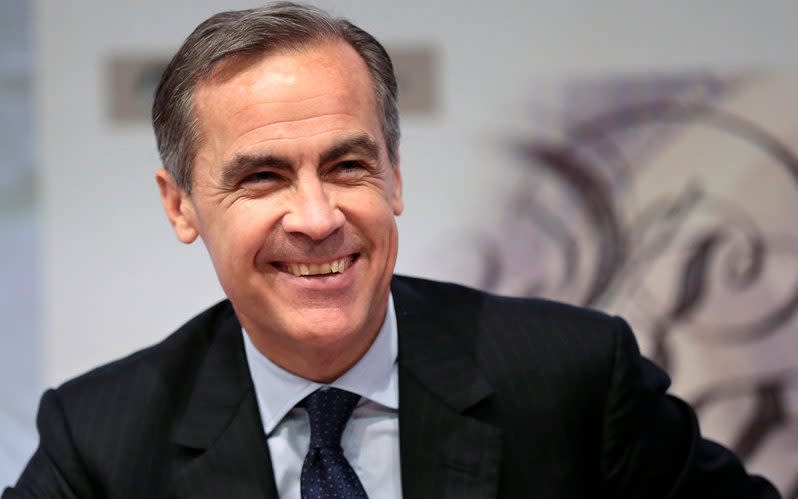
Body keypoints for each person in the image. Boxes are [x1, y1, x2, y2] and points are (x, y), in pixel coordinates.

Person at [3, 3, 782, 498]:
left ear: (395, 175)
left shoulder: (573, 375)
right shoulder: (101, 441)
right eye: (264, 178)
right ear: (181, 206)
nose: (315, 217)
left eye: (347, 165)